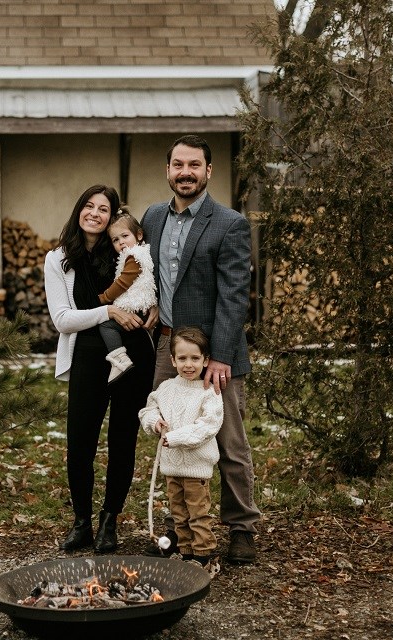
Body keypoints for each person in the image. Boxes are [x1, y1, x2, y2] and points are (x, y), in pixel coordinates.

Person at [141, 135, 262, 564]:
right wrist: (150, 303)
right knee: (171, 435)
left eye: (194, 165)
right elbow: (145, 272)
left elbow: (235, 294)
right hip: (167, 350)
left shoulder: (228, 223)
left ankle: (242, 527)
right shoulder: (153, 217)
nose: (185, 172)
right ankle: (184, 525)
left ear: (209, 171)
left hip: (214, 353)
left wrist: (222, 355)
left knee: (226, 442)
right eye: (178, 164)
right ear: (168, 170)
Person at [44, 184, 156, 554]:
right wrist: (107, 311)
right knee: (80, 445)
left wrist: (159, 309)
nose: (95, 213)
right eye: (89, 206)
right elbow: (62, 320)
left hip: (134, 351)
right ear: (79, 210)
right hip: (88, 357)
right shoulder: (58, 259)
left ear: (112, 217)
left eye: (103, 208)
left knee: (123, 440)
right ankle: (81, 523)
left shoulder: (123, 251)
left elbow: (153, 281)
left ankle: (110, 521)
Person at [139, 326, 222, 568]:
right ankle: (186, 553)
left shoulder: (209, 392)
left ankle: (203, 555)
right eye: (183, 358)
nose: (189, 364)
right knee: (179, 514)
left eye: (195, 358)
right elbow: (147, 410)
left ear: (205, 360)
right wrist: (155, 422)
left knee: (197, 514)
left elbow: (208, 426)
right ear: (173, 360)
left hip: (196, 469)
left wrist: (174, 438)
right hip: (171, 467)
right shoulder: (166, 388)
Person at [96, 211, 157, 383]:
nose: (121, 241)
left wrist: (104, 298)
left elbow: (123, 283)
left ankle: (120, 360)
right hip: (139, 306)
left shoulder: (134, 257)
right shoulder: (138, 253)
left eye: (125, 236)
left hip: (136, 306)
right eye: (115, 239)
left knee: (106, 325)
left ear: (138, 235)